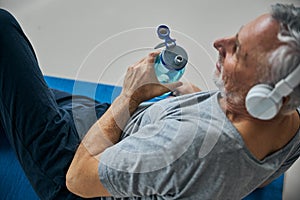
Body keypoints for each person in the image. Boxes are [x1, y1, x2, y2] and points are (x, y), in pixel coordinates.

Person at [0, 3, 299, 200]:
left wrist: (130, 97)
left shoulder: (185, 146)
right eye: (235, 36)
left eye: (238, 52)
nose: (219, 44)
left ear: (267, 96)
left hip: (77, 167)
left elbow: (77, 179)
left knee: (2, 28)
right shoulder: (290, 120)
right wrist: (198, 103)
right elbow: (259, 180)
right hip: (130, 144)